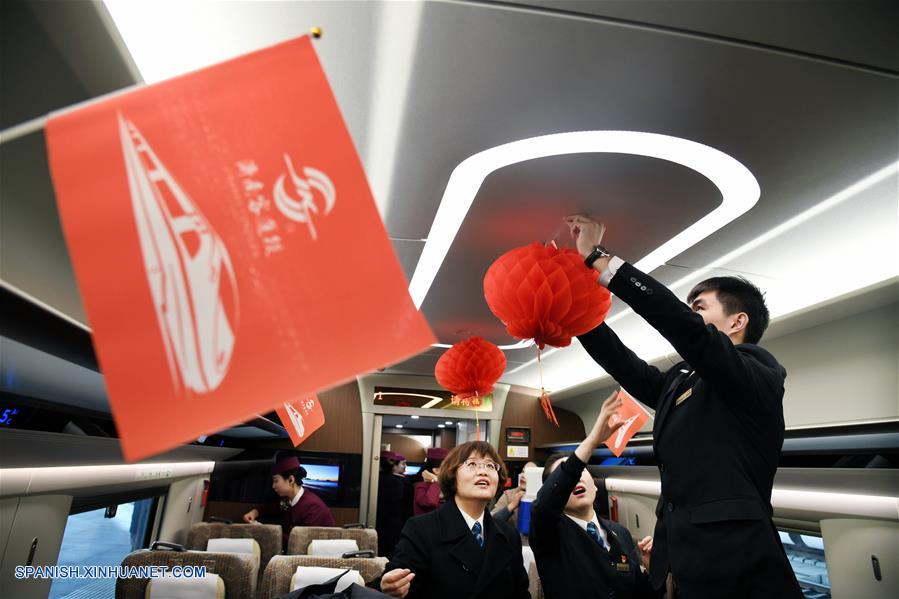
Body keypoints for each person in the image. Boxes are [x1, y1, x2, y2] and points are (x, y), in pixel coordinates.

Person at [565, 214, 802, 598]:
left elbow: (687, 330)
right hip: (685, 564)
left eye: (700, 306)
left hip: (737, 567)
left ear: (737, 321)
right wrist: (572, 315)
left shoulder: (760, 372)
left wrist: (600, 258)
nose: (691, 313)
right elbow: (627, 366)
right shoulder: (681, 381)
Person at [530, 392, 658, 598]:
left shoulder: (620, 533)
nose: (576, 479)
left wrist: (650, 567)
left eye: (582, 473)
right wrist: (593, 440)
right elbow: (544, 506)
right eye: (568, 478)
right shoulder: (550, 533)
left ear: (596, 486)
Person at [379, 441, 530, 599]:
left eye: (490, 466)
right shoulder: (421, 529)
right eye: (472, 464)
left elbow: (520, 593)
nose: (483, 471)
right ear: (452, 475)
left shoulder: (509, 535)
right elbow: (397, 579)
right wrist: (389, 586)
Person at [243, 456, 335, 549]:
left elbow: (300, 544)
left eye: (276, 481)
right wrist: (255, 512)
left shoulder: (313, 507)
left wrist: (263, 529)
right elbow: (271, 508)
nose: (273, 486)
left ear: (291, 480)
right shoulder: (289, 499)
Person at [377, 451, 410, 558]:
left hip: (378, 520)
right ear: (393, 466)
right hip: (393, 523)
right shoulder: (399, 483)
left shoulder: (373, 481)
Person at [490, 461, 536, 528]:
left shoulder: (543, 497)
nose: (522, 475)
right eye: (523, 471)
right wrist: (511, 506)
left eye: (529, 473)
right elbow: (491, 521)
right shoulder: (508, 495)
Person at [413, 447, 448, 516]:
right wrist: (436, 481)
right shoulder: (421, 485)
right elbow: (429, 502)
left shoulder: (447, 483)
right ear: (436, 470)